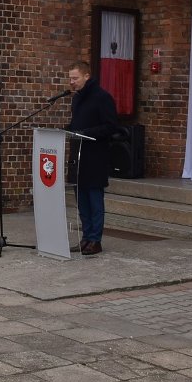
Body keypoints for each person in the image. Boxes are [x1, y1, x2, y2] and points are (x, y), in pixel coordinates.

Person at [67, 60, 119, 256]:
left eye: (75, 78)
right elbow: (76, 124)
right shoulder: (76, 98)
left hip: (95, 156)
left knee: (94, 200)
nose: (71, 82)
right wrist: (68, 130)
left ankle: (95, 240)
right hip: (78, 156)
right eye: (70, 78)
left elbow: (110, 125)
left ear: (86, 76)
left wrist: (85, 133)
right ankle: (85, 237)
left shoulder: (102, 97)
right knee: (81, 201)